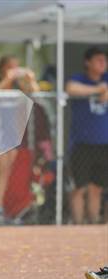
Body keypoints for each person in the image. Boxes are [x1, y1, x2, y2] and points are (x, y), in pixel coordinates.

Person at [0, 55, 39, 225]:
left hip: (12, 134)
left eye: (16, 67)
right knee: (1, 170)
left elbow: (35, 92)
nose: (14, 70)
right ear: (2, 68)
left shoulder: (18, 87)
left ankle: (1, 209)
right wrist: (8, 78)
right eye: (10, 67)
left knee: (7, 172)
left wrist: (30, 78)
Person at [66, 47, 108, 224]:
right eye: (98, 60)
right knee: (78, 187)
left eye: (104, 60)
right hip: (82, 143)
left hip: (104, 143)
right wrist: (98, 89)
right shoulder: (79, 79)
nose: (103, 63)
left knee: (97, 188)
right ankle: (78, 226)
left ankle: (95, 225)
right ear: (87, 62)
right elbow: (71, 89)